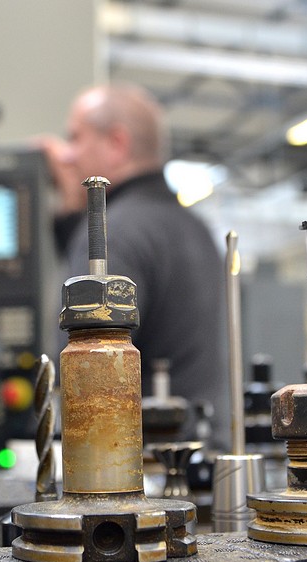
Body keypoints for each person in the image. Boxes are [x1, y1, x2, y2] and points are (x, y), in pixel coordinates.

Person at [43, 83, 229, 450]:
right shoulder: (198, 229)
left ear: (117, 143)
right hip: (205, 454)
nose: (66, 155)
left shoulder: (115, 230)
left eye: (75, 138)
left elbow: (78, 373)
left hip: (139, 464)